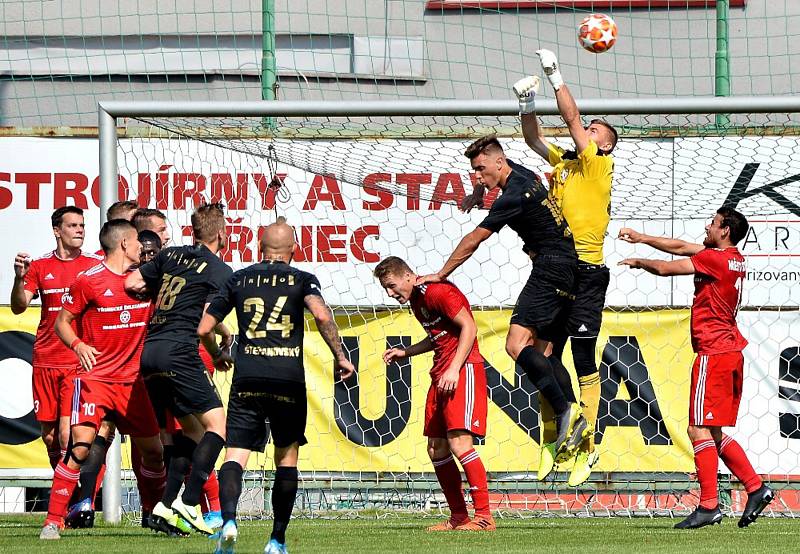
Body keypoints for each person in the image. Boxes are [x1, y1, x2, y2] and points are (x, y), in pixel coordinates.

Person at [417, 135, 586, 463]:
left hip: (550, 268)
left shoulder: (511, 197)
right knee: (544, 351)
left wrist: (440, 274)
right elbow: (492, 178)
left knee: (515, 344)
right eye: (473, 171)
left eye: (480, 170)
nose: (477, 176)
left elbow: (473, 241)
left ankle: (565, 411)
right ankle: (573, 416)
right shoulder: (522, 174)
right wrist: (477, 192)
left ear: (499, 162)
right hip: (569, 265)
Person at [198, 217, 355, 554]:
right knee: (286, 458)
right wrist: (340, 356)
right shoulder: (302, 279)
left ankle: (228, 521)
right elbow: (323, 316)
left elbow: (204, 327)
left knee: (235, 454)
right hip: (287, 379)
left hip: (247, 377)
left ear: (260, 248)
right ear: (293, 250)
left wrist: (218, 354)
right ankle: (276, 540)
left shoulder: (239, 278)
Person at [618, 206, 773, 529]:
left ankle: (709, 505)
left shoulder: (714, 259)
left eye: (713, 223)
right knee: (712, 431)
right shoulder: (732, 258)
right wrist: (642, 237)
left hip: (714, 352)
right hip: (730, 351)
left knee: (697, 429)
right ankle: (755, 487)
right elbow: (680, 246)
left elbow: (666, 267)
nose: (708, 226)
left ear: (725, 230)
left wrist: (638, 261)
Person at [513, 49, 617, 485]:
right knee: (540, 353)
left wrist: (555, 76)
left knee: (583, 359)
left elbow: (574, 123)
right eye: (588, 128)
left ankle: (587, 449)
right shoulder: (567, 164)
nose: (586, 130)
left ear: (604, 144)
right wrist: (527, 103)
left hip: (588, 272)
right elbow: (534, 140)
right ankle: (553, 439)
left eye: (595, 131)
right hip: (559, 269)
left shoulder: (597, 163)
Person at [40, 219, 165, 540]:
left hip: (133, 384)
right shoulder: (89, 281)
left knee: (153, 451)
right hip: (95, 380)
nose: (143, 248)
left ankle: (152, 513)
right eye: (138, 242)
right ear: (124, 243)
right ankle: (53, 522)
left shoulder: (148, 281)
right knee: (78, 448)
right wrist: (78, 344)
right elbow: (62, 323)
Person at [125, 202, 232, 535]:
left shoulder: (170, 257)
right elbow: (203, 326)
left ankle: (164, 506)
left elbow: (130, 283)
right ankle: (189, 500)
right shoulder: (219, 270)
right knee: (218, 428)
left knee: (191, 432)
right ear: (222, 234)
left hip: (150, 352)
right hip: (180, 352)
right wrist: (216, 354)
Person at [375, 256, 494, 532]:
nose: (391, 294)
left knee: (460, 443)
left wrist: (454, 369)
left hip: (462, 371)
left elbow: (469, 327)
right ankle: (459, 517)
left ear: (407, 276)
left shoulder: (438, 291)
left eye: (392, 286)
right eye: (386, 290)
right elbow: (438, 336)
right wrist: (406, 352)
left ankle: (485, 517)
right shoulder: (417, 301)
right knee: (436, 448)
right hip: (441, 374)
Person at [9, 207, 102, 471]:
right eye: (72, 226)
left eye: (82, 225)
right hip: (45, 360)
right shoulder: (39, 266)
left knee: (66, 434)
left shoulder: (93, 266)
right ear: (57, 231)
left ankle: (71, 500)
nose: (80, 230)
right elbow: (19, 306)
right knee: (49, 436)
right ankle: (66, 487)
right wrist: (18, 279)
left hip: (77, 362)